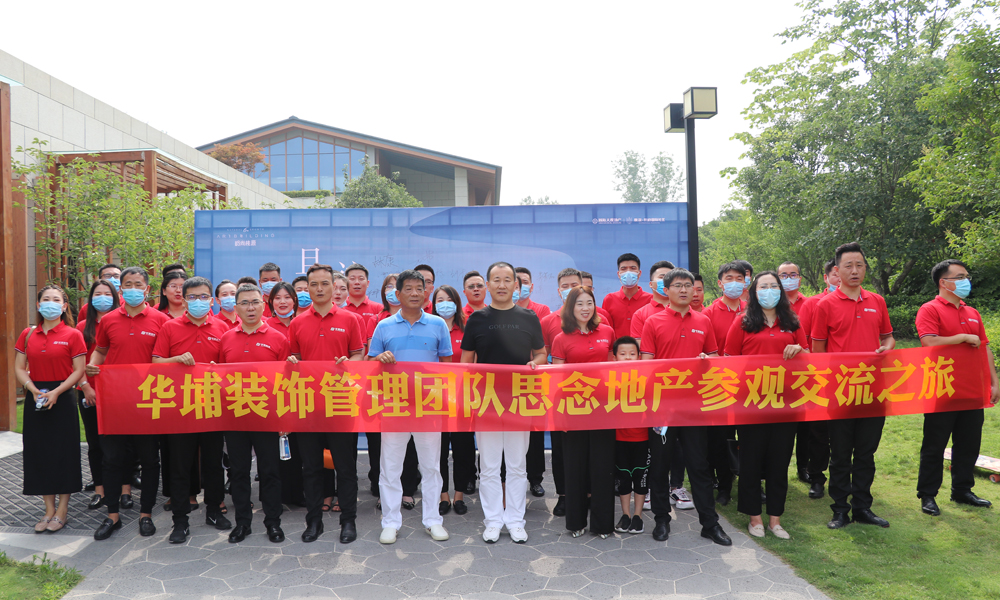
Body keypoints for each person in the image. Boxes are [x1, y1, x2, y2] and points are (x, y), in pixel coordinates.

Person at [640, 268, 732, 546]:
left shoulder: (703, 321)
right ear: (666, 290)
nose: (683, 290)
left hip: (695, 407)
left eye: (688, 286)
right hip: (663, 408)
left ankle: (709, 523)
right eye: (677, 285)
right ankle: (661, 519)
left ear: (694, 290)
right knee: (660, 467)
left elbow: (715, 360)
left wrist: (707, 360)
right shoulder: (653, 322)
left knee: (699, 466)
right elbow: (646, 365)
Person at [461, 261, 547, 544]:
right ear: (488, 285)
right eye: (496, 280)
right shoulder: (477, 319)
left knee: (517, 465)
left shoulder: (528, 317)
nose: (501, 285)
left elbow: (541, 353)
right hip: (486, 402)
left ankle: (516, 520)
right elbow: (466, 362)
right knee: (488, 466)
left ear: (515, 285)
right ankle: (493, 520)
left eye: (507, 280)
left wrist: (534, 364)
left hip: (519, 400)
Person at [811, 242, 894, 530]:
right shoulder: (825, 305)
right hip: (840, 392)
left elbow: (888, 337)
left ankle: (862, 507)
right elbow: (818, 349)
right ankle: (840, 510)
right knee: (840, 454)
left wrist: (886, 348)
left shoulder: (877, 301)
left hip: (873, 389)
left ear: (865, 268)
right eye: (849, 266)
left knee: (866, 453)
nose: (855, 270)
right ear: (837, 270)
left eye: (859, 265)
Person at [369, 270, 453, 544]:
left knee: (431, 467)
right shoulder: (384, 326)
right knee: (390, 468)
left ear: (426, 293)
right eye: (409, 288)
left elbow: (448, 368)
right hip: (393, 406)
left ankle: (432, 520)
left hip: (428, 407)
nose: (415, 293)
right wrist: (379, 359)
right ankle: (390, 522)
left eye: (420, 288)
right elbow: (369, 366)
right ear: (397, 294)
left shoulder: (438, 324)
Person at [724, 271, 808, 540]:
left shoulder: (792, 322)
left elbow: (809, 357)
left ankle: (775, 520)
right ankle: (754, 518)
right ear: (754, 292)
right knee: (751, 461)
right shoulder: (742, 322)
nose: (769, 290)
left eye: (773, 286)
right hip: (751, 404)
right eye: (763, 286)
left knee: (779, 462)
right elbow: (728, 361)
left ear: (780, 291)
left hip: (786, 403)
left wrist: (799, 350)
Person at [88, 267, 168, 541]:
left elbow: (165, 359)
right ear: (121, 289)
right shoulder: (109, 320)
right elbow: (100, 351)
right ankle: (112, 515)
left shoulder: (161, 320)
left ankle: (146, 514)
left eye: (138, 284)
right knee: (112, 459)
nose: (133, 289)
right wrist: (93, 367)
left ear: (147, 289)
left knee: (149, 460)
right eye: (128, 284)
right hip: (115, 401)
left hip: (149, 401)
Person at [152, 276, 233, 544]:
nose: (199, 301)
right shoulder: (170, 327)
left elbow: (230, 367)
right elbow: (155, 363)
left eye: (203, 297)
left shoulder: (222, 327)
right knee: (180, 465)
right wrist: (176, 359)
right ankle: (180, 520)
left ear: (212, 300)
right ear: (184, 300)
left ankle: (214, 511)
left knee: (213, 463)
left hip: (213, 407)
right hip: (180, 408)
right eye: (193, 297)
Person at [915, 259, 999, 516]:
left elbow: (984, 348)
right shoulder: (929, 309)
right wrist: (962, 337)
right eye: (960, 277)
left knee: (968, 444)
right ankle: (928, 495)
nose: (966, 281)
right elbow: (929, 342)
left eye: (966, 276)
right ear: (944, 282)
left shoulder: (972, 312)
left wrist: (994, 381)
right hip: (942, 389)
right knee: (935, 445)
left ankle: (962, 490)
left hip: (972, 390)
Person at [288, 264, 365, 544]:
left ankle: (348, 521)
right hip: (308, 404)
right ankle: (314, 522)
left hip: (340, 403)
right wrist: (292, 362)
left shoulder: (350, 319)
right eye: (314, 284)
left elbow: (359, 355)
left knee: (345, 467)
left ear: (334, 286)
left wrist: (349, 363)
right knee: (311, 467)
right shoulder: (297, 323)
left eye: (324, 283)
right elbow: (293, 359)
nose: (319, 289)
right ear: (306, 288)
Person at [220, 283, 290, 544]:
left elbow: (286, 381)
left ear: (263, 306)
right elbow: (219, 376)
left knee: (270, 471)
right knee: (238, 472)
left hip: (267, 415)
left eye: (255, 302)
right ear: (236, 308)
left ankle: (273, 523)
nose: (250, 308)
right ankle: (243, 523)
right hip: (235, 415)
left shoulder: (278, 338)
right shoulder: (227, 338)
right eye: (244, 303)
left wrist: (284, 417)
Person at [14, 284, 86, 533]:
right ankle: (48, 510)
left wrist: (57, 392)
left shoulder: (73, 334)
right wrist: (32, 390)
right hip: (36, 396)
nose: (50, 303)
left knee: (64, 453)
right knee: (39, 452)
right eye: (46, 299)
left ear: (64, 306)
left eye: (56, 299)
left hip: (63, 397)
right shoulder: (28, 334)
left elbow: (79, 370)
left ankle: (62, 510)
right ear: (38, 304)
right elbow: (19, 367)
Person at [551, 287, 616, 539]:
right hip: (574, 408)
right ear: (570, 308)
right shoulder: (561, 338)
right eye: (579, 304)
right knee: (575, 466)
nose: (585, 308)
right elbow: (556, 379)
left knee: (602, 466)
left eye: (589, 303)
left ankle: (602, 524)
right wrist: (560, 416)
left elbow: (613, 367)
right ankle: (576, 522)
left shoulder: (607, 332)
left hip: (603, 408)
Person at [701, 261, 749, 506]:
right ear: (720, 283)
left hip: (750, 386)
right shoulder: (708, 314)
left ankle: (752, 483)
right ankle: (723, 486)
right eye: (729, 278)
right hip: (720, 386)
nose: (734, 283)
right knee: (721, 439)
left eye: (739, 278)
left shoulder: (753, 310)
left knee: (750, 439)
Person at [794, 258, 840, 496]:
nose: (840, 278)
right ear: (826, 277)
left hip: (849, 378)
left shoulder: (869, 302)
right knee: (819, 432)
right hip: (818, 377)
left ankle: (841, 479)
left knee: (843, 433)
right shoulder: (813, 304)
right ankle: (817, 477)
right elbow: (804, 342)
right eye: (835, 274)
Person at [76, 279, 120, 512]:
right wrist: (85, 386)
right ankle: (100, 490)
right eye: (97, 294)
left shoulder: (120, 323)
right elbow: (76, 361)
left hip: (117, 392)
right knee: (95, 443)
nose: (102, 298)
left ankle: (123, 489)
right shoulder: (82, 327)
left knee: (120, 443)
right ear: (91, 299)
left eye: (107, 293)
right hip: (89, 391)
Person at [433, 285, 474, 516]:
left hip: (462, 399)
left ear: (457, 303)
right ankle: (443, 496)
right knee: (438, 450)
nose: (445, 304)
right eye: (440, 300)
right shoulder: (429, 326)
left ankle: (459, 495)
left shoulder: (467, 327)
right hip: (435, 399)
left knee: (463, 449)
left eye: (449, 299)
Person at [611, 337, 649, 534]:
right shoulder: (609, 379)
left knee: (641, 477)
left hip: (643, 438)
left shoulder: (647, 378)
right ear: (614, 357)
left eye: (632, 354)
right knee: (623, 477)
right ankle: (625, 515)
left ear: (639, 356)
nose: (628, 358)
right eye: (623, 354)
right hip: (619, 439)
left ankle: (638, 516)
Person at [603, 253, 652, 339]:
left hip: (643, 346)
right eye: (624, 269)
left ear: (639, 273)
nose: (628, 272)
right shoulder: (609, 299)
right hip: (617, 347)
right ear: (618, 274)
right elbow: (605, 328)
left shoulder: (651, 299)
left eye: (633, 268)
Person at [628, 260, 676, 342]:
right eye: (662, 277)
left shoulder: (685, 310)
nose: (666, 281)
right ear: (651, 284)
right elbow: (640, 346)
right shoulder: (640, 315)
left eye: (670, 278)